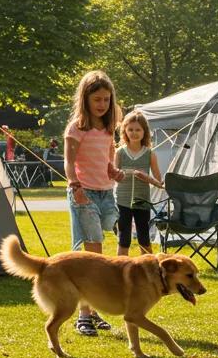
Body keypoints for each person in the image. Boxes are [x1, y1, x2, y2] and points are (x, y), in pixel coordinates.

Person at [64, 70, 124, 335]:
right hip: (84, 192)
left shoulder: (109, 128)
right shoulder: (77, 128)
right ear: (85, 99)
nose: (102, 105)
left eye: (106, 100)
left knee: (103, 246)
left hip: (105, 193)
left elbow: (107, 159)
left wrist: (112, 171)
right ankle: (84, 315)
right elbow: (68, 161)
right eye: (97, 99)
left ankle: (94, 309)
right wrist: (75, 187)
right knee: (93, 255)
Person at [115, 110, 164, 255]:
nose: (134, 133)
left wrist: (147, 178)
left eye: (138, 129)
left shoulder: (150, 153)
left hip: (142, 201)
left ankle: (148, 267)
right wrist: (125, 173)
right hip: (123, 200)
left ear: (144, 132)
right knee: (124, 237)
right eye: (130, 129)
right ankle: (120, 266)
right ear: (125, 131)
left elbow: (158, 180)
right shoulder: (120, 152)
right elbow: (114, 174)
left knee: (144, 236)